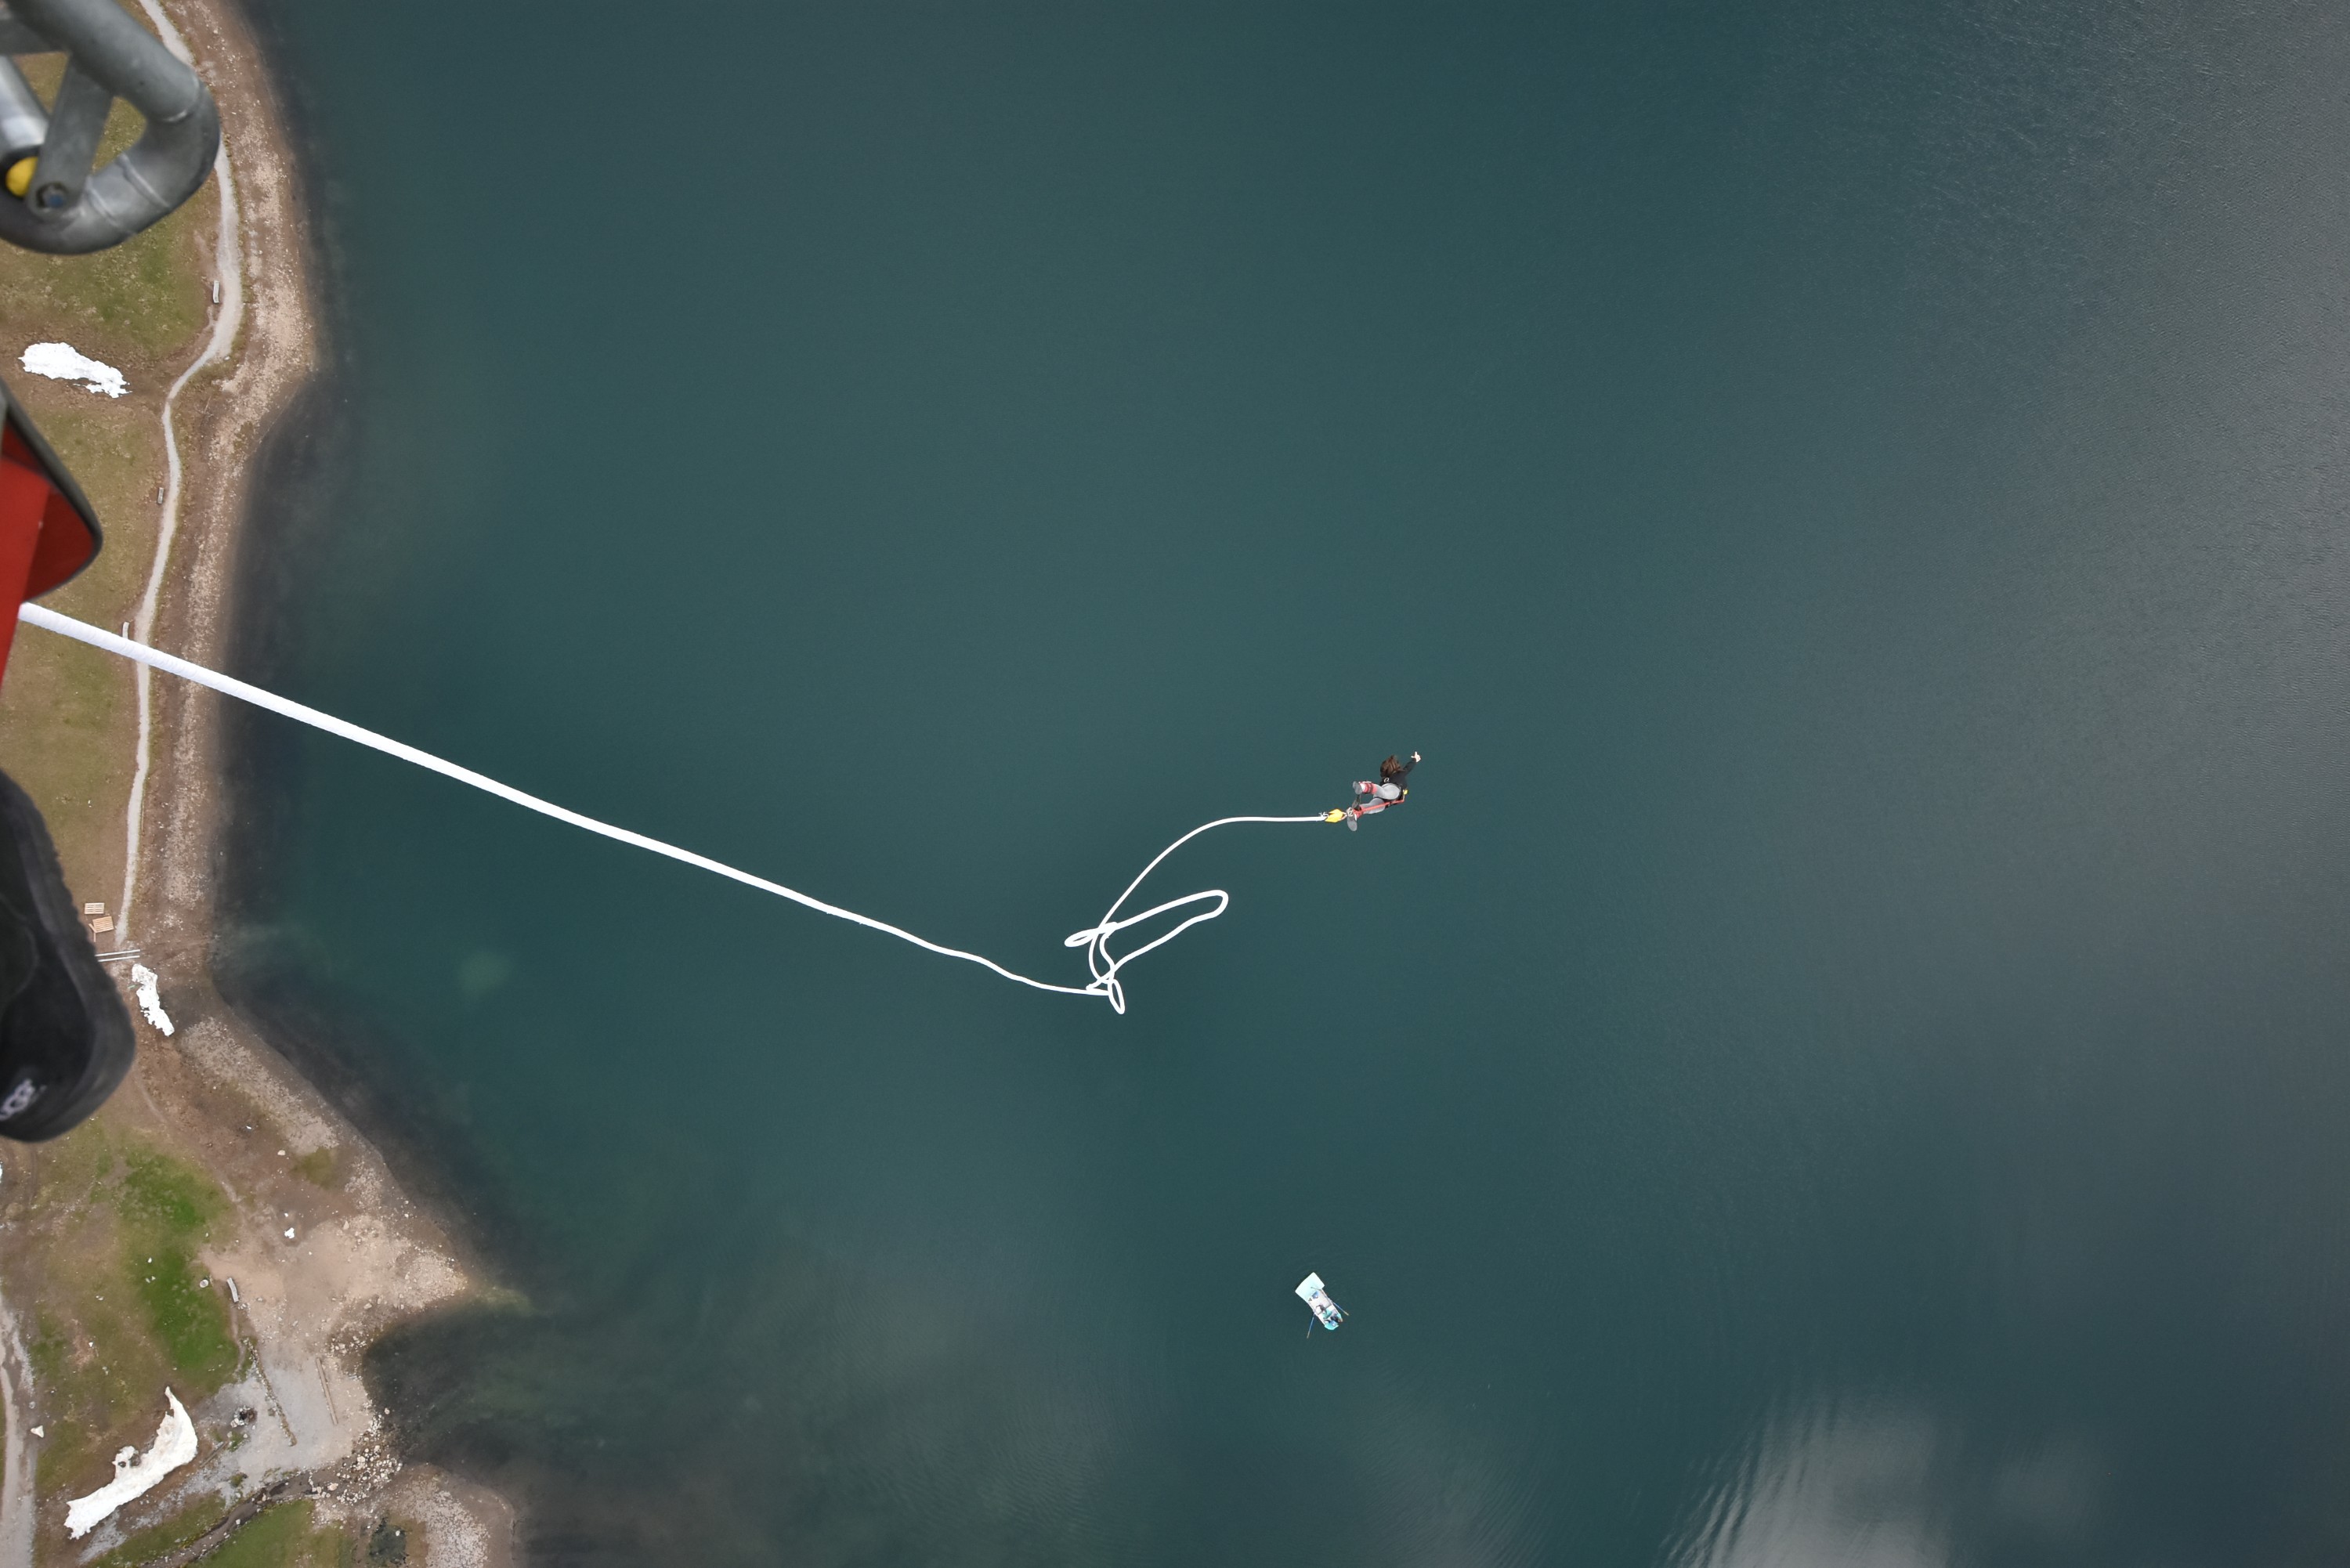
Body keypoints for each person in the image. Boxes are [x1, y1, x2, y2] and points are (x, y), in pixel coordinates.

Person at [1343, 750, 1419, 830]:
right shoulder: (1399, 774)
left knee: (1372, 807)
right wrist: (1414, 760)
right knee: (1384, 794)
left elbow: (1379, 791)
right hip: (1392, 791)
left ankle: (1355, 813)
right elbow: (1408, 768)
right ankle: (1365, 786)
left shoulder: (1384, 780)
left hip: (1381, 798)